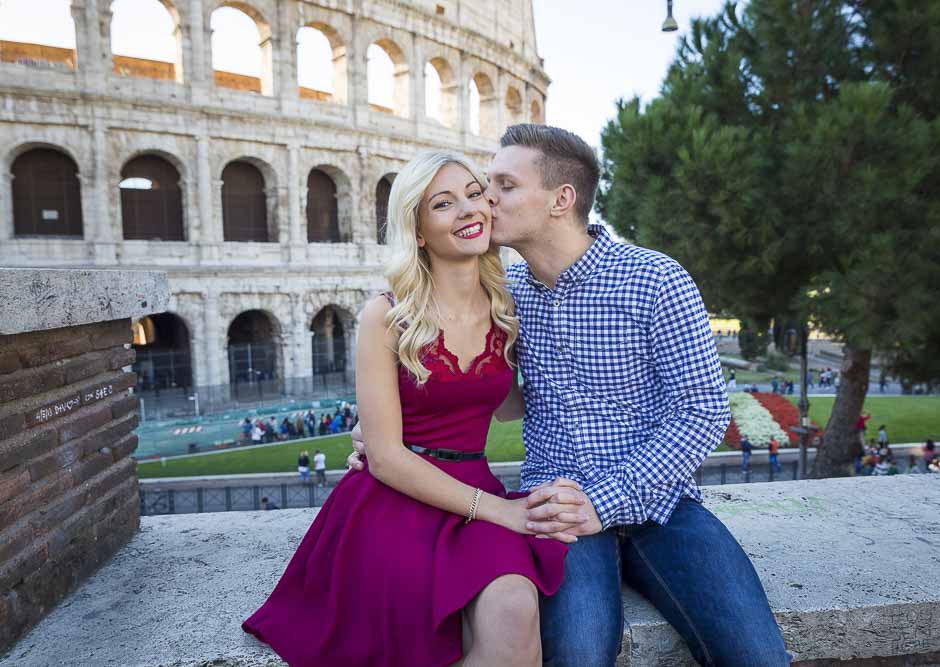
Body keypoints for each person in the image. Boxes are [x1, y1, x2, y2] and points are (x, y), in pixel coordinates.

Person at [350, 125, 789, 665]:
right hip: (554, 510)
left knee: (759, 657)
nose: (486, 200)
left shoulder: (656, 280)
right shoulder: (502, 296)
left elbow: (702, 411)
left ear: (561, 199)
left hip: (662, 505)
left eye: (504, 185)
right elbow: (453, 381)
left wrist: (601, 504)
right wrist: (382, 436)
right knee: (578, 656)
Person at [243, 151, 568, 666]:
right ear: (418, 231)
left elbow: (511, 406)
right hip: (393, 496)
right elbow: (388, 457)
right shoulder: (386, 314)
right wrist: (501, 510)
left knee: (515, 615)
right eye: (443, 204)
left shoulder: (510, 305)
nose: (468, 210)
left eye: (472, 194)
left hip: (473, 490)